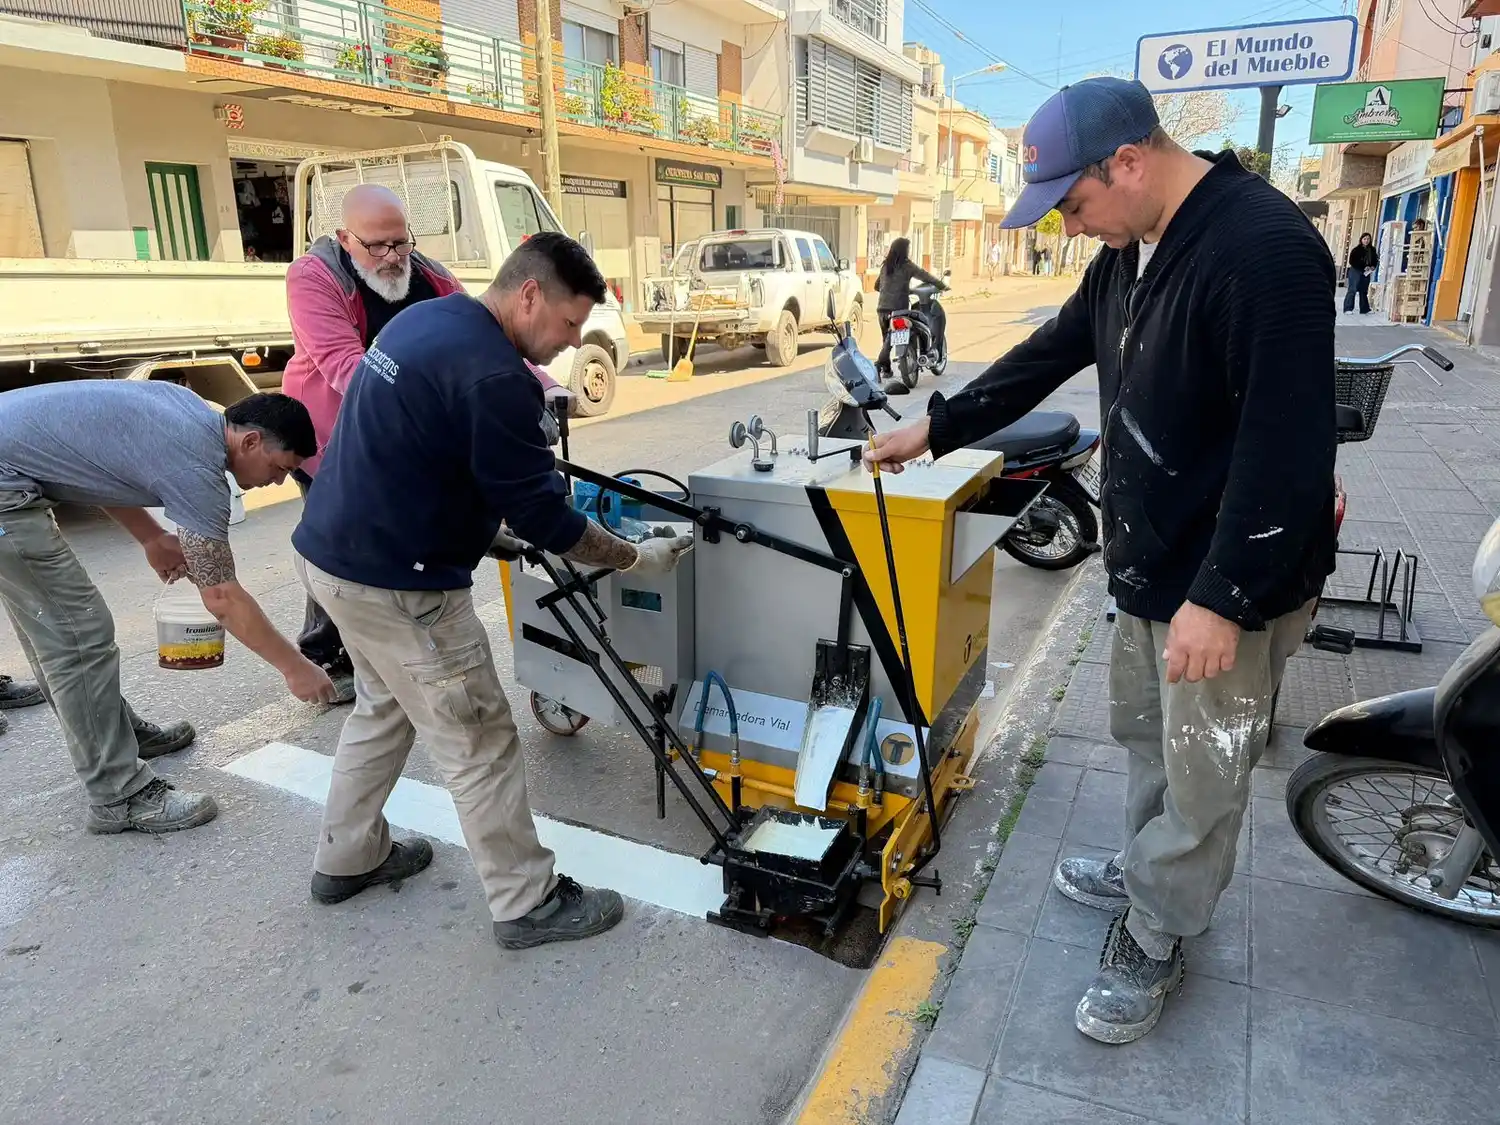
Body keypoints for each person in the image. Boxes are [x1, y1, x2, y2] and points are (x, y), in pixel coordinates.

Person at [865, 77, 1336, 1044]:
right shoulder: (1129, 253)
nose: (1073, 228)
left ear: (1128, 161)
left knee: (1204, 772)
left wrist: (1224, 596)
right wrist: (938, 428)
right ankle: (1147, 869)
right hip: (1151, 565)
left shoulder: (1264, 249)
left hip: (1225, 583)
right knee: (1148, 739)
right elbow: (1050, 351)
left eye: (1074, 205)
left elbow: (1286, 445)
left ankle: (1160, 929)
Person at [292, 231, 693, 951]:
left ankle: (347, 856)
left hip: (331, 561)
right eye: (569, 323)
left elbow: (419, 450)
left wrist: (483, 531)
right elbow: (547, 518)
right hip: (401, 586)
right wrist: (635, 558)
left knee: (384, 708)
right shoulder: (498, 377)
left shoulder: (423, 321)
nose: (572, 343)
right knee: (478, 737)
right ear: (529, 294)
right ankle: (526, 900)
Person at [0, 385, 337, 834]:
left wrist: (150, 536)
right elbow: (222, 597)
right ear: (251, 441)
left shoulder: (192, 412)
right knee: (78, 636)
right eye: (280, 468)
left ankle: (114, 735)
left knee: (55, 630)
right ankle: (119, 795)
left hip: (10, 471)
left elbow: (99, 462)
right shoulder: (198, 469)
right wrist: (295, 668)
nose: (277, 483)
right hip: (6, 493)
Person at [282, 184, 464, 704]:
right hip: (331, 432)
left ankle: (393, 640)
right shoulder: (313, 276)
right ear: (345, 238)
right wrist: (431, 407)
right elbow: (345, 366)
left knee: (392, 533)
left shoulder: (428, 274)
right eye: (376, 246)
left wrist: (543, 386)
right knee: (337, 542)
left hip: (401, 432)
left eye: (400, 243)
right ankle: (325, 653)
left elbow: (482, 334)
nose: (391, 256)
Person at [874, 237, 947, 380]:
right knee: (894, 338)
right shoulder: (907, 266)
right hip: (899, 310)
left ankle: (886, 370)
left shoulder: (886, 266)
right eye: (908, 248)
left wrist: (890, 290)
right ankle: (879, 364)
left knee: (887, 341)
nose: (909, 251)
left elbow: (876, 286)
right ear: (904, 250)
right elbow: (925, 276)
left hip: (882, 310)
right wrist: (941, 285)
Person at [1345, 232, 1377, 315]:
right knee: (1353, 289)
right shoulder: (1356, 250)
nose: (1366, 241)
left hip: (1367, 272)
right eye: (1364, 239)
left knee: (1364, 290)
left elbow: (1375, 260)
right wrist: (1363, 267)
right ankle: (1348, 308)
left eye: (1368, 239)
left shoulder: (1372, 250)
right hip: (1356, 271)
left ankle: (1364, 309)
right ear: (1361, 240)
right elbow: (1352, 261)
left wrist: (1373, 266)